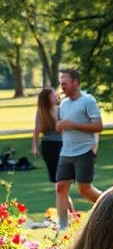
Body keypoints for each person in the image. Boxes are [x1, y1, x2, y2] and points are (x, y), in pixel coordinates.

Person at [55, 68, 103, 231]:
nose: (62, 87)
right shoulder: (63, 103)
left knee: (84, 188)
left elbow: (98, 126)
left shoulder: (88, 100)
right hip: (66, 151)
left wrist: (73, 125)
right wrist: (60, 126)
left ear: (76, 82)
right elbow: (62, 124)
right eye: (61, 84)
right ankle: (62, 227)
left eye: (64, 83)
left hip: (84, 150)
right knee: (61, 186)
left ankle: (111, 205)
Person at [32, 87, 73, 219]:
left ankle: (71, 213)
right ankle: (72, 213)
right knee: (59, 182)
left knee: (62, 181)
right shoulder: (42, 112)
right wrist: (35, 147)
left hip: (62, 145)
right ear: (47, 98)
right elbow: (36, 131)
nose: (56, 96)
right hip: (49, 147)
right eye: (53, 95)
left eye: (56, 94)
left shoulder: (62, 108)